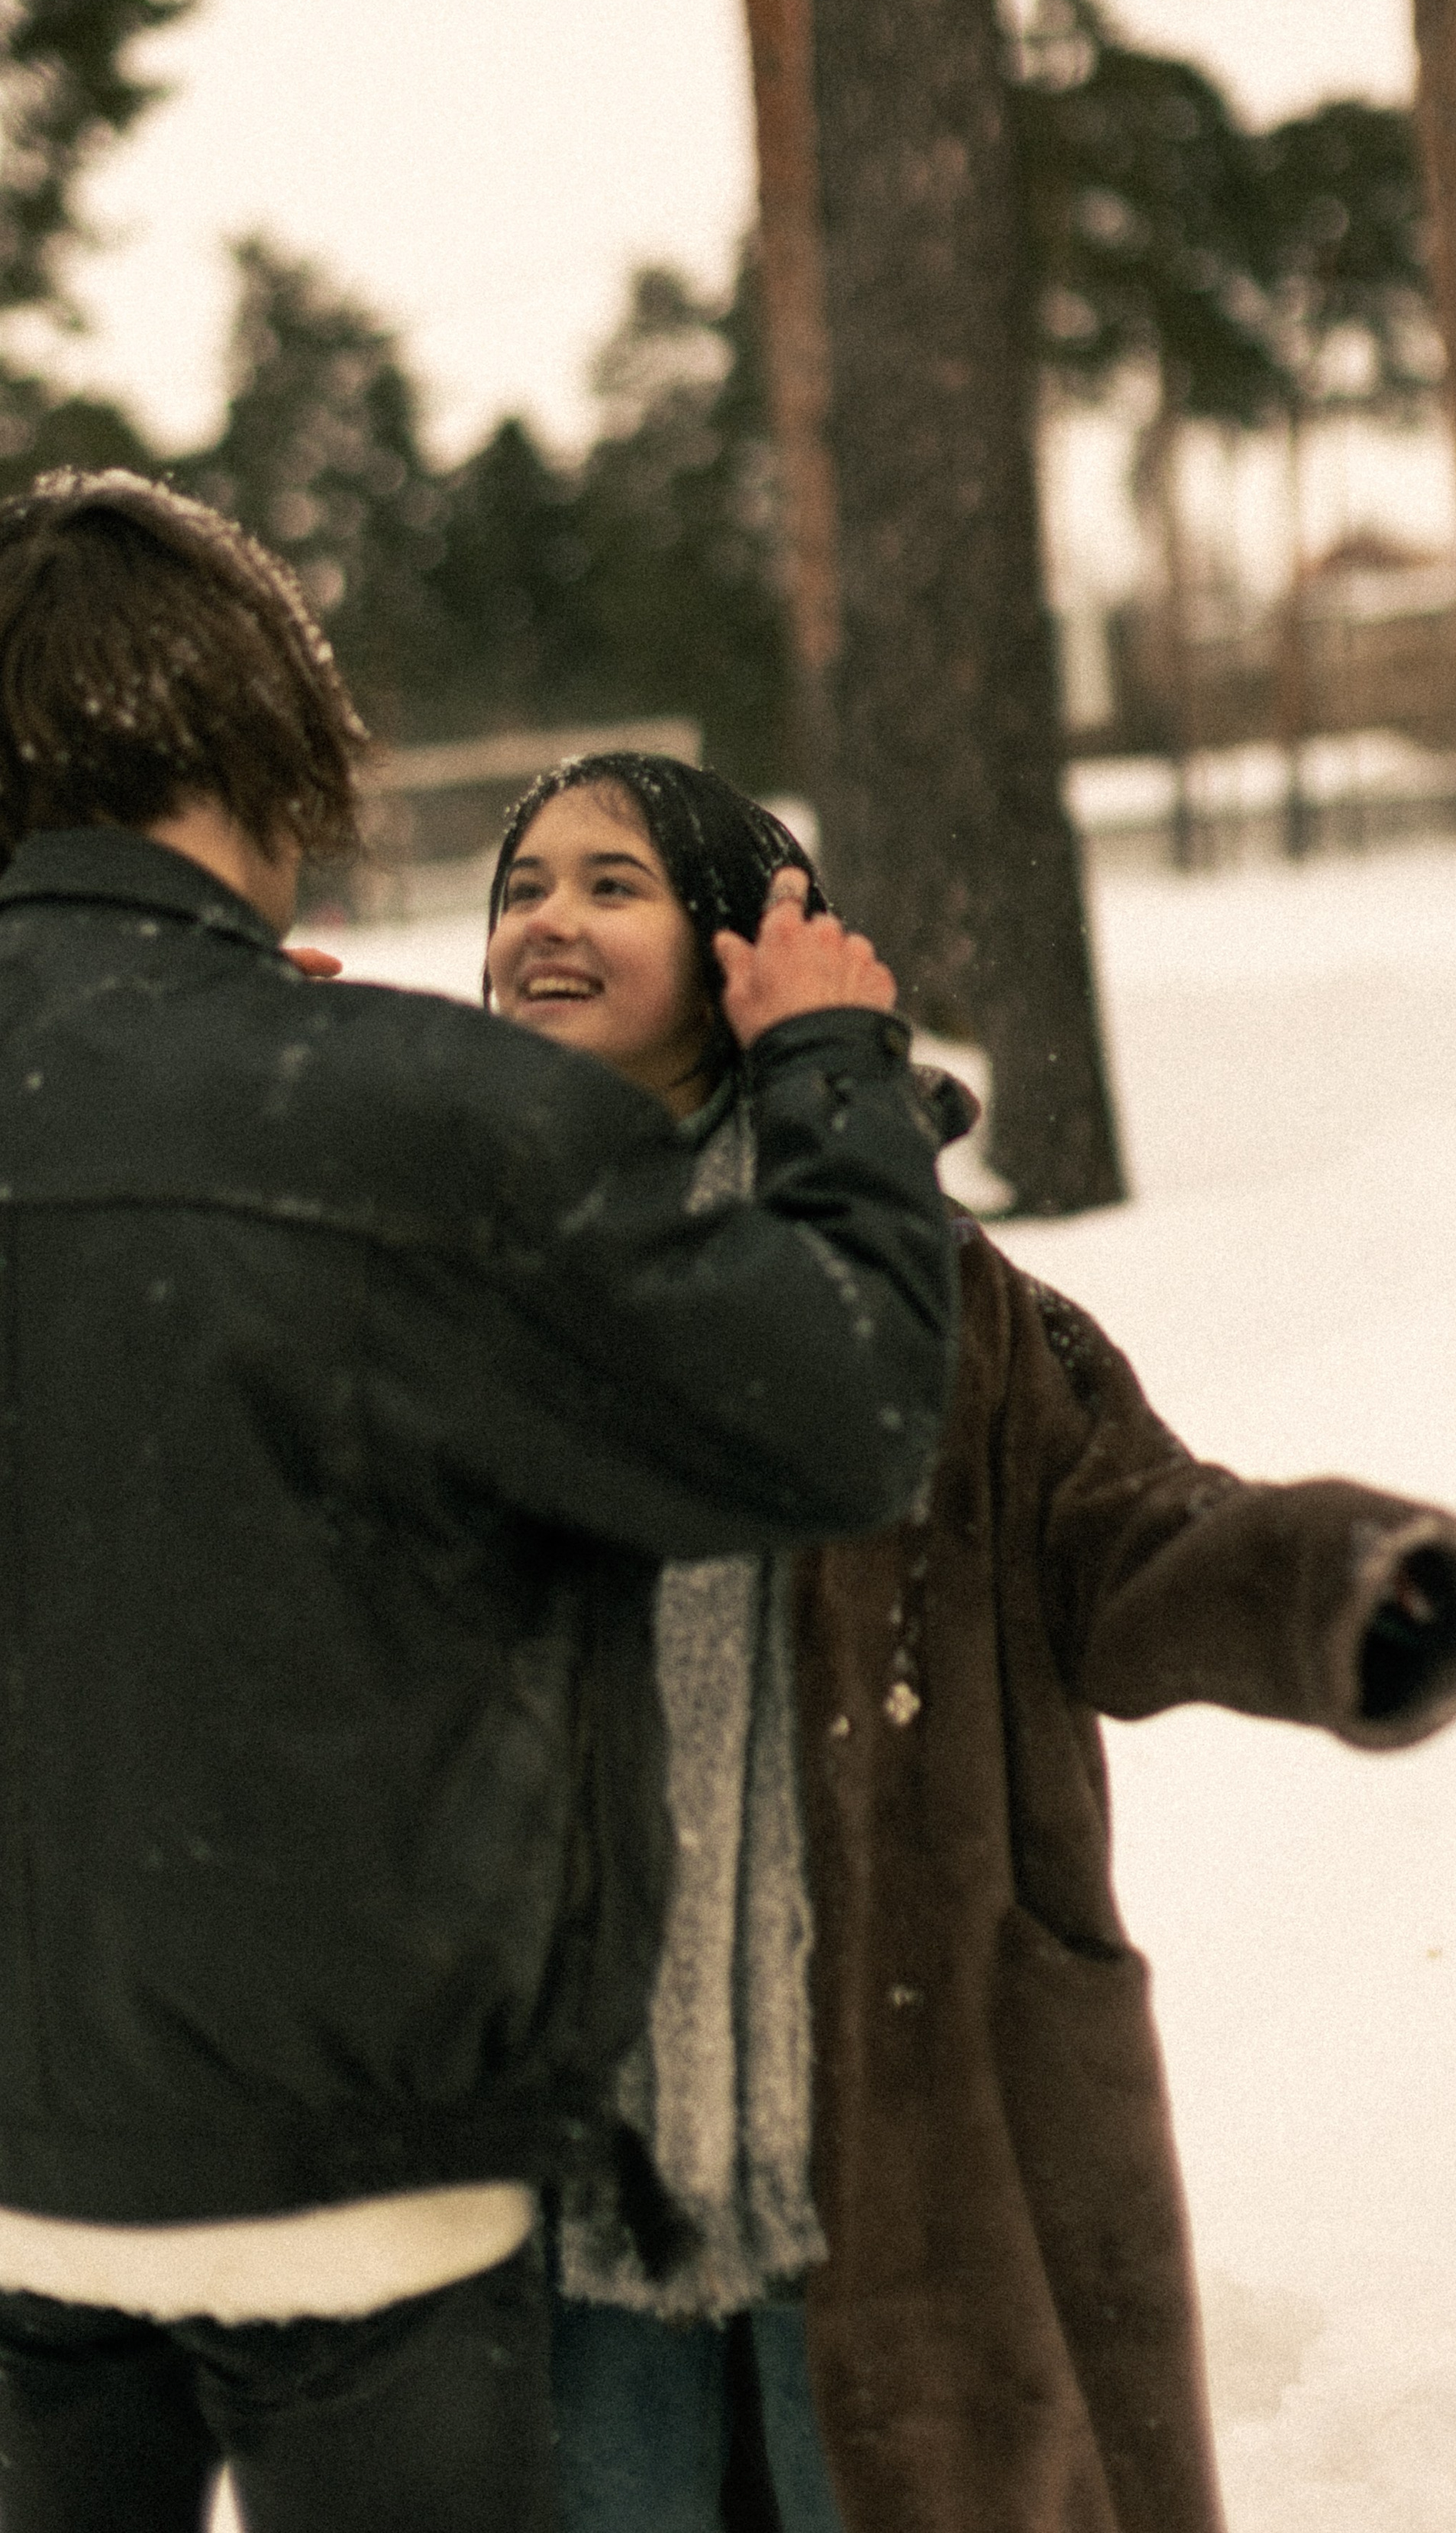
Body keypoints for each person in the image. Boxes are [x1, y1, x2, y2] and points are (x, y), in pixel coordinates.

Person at [0, 475, 957, 2532]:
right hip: (362, 2178)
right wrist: (842, 1082)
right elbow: (847, 1411)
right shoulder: (427, 1120)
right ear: (256, 759)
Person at [482, 750, 1456, 2533]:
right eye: (520, 886)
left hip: (887, 2124)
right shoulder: (446, 1269)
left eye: (609, 882)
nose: (545, 920)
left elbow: (1122, 1542)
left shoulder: (930, 1295)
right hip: (556, 2147)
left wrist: (1328, 1582)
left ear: (746, 951)